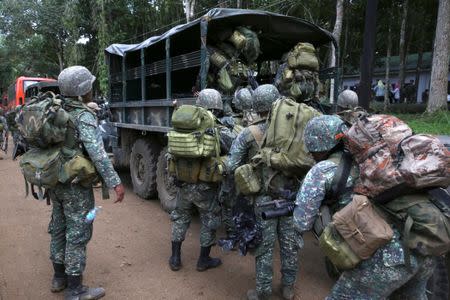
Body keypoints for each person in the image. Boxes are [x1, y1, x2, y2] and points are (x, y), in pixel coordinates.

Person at [293, 115, 436, 299]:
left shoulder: (323, 170)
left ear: (319, 143)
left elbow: (301, 222)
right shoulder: (382, 159)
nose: (311, 154)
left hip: (387, 256)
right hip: (424, 243)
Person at [51, 66, 125, 300]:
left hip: (55, 180)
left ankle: (59, 278)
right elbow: (97, 153)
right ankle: (75, 290)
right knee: (78, 232)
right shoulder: (83, 115)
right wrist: (115, 182)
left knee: (59, 228)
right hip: (75, 184)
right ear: (83, 89)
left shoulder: (55, 110)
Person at [227, 84, 299, 300]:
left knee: (265, 247)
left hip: (263, 200)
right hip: (290, 197)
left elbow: (231, 165)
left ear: (256, 106)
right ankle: (288, 288)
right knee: (290, 244)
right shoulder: (294, 127)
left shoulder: (250, 133)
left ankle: (263, 291)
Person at [169, 88, 235, 272]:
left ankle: (175, 258)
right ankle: (203, 260)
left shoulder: (181, 126)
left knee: (180, 218)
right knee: (210, 220)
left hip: (183, 182)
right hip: (205, 186)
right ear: (217, 105)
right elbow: (234, 146)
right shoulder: (217, 129)